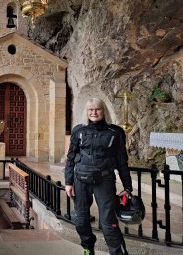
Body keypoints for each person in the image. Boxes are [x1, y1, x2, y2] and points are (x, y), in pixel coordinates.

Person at [64, 98, 132, 255]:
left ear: (104, 111)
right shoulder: (78, 130)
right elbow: (71, 157)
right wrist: (68, 182)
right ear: (86, 112)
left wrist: (127, 187)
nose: (94, 112)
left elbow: (122, 161)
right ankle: (88, 248)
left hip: (104, 180)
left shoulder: (115, 132)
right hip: (80, 180)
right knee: (80, 220)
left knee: (108, 222)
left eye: (97, 109)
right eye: (90, 110)